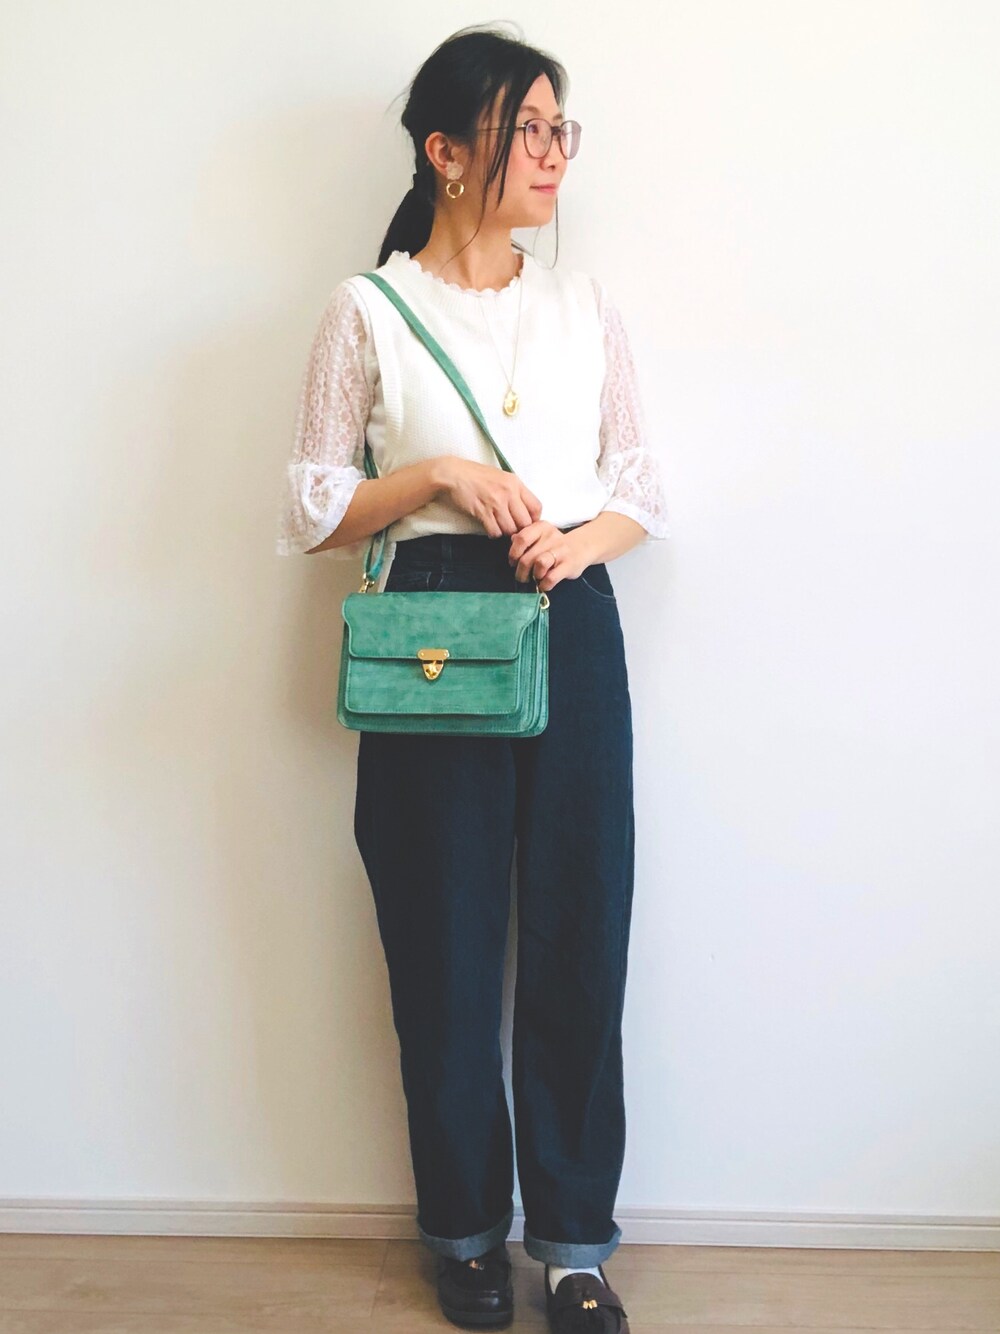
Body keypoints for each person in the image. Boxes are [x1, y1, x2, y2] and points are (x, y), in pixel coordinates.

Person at [276, 23, 669, 1334]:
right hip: (432, 627)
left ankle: (574, 1244)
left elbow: (640, 483)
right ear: (448, 153)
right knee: (442, 938)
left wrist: (577, 541)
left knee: (579, 930)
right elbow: (313, 505)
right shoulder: (369, 308)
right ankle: (462, 1233)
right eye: (528, 129)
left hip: (569, 613)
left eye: (563, 128)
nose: (555, 153)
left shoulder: (583, 303)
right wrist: (438, 476)